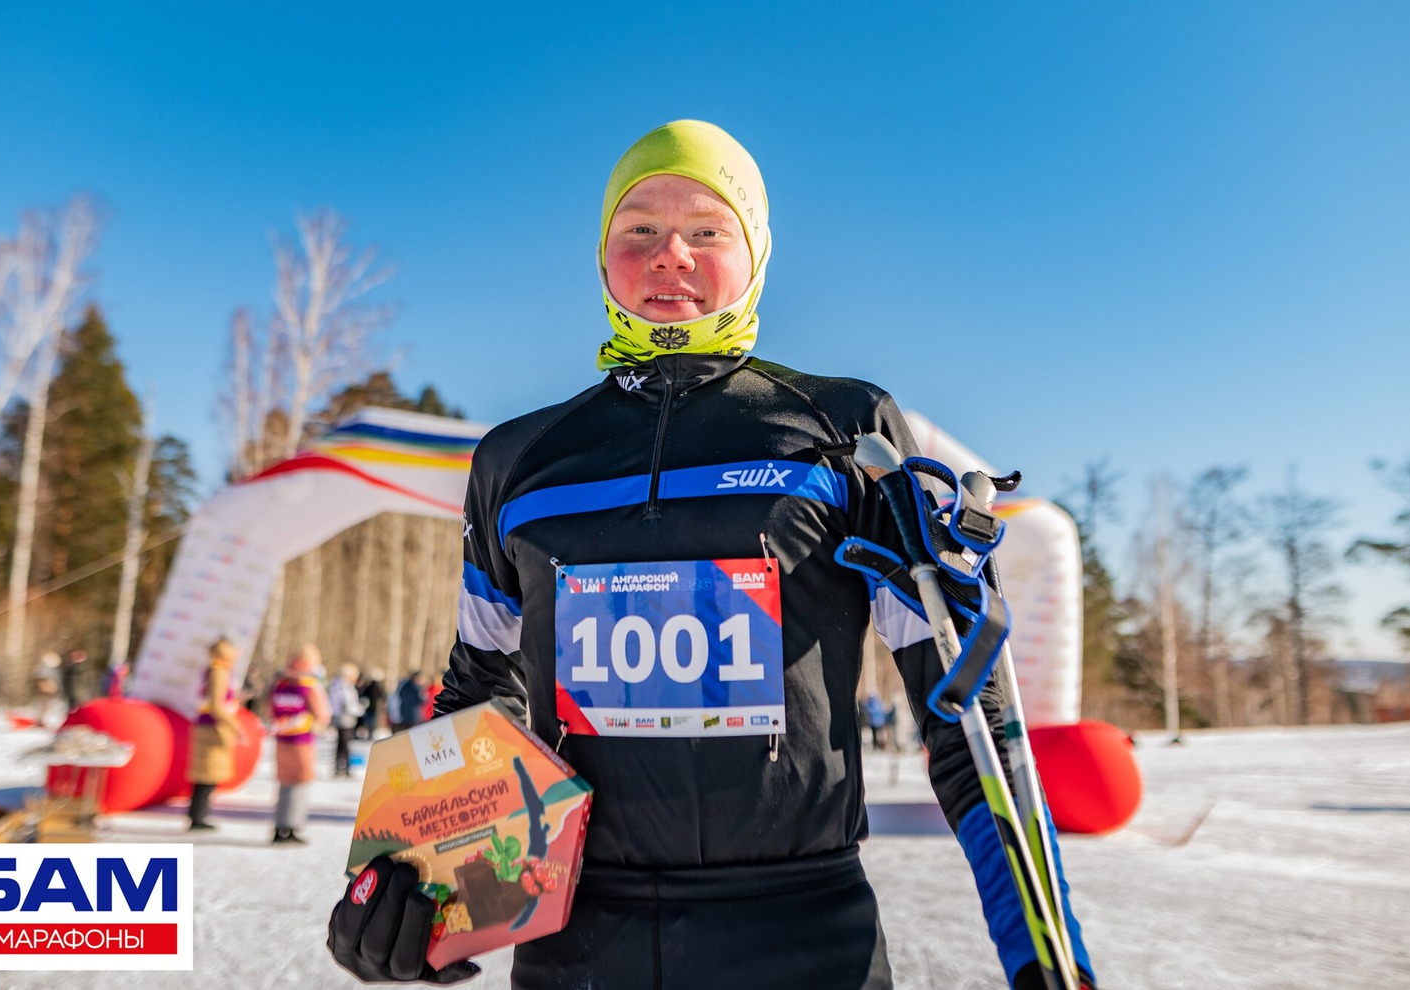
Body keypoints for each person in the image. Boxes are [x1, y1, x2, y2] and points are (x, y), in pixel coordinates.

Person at [328, 121, 1097, 989]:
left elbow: (968, 719)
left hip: (805, 941)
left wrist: (1044, 954)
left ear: (755, 252)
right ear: (602, 256)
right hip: (578, 949)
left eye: (706, 229)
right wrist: (410, 875)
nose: (671, 255)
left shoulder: (846, 430)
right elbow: (482, 694)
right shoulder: (517, 459)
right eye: (639, 231)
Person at [269, 644, 331, 844]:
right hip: (302, 741)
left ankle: (279, 826)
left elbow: (270, 709)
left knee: (284, 781)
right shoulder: (309, 685)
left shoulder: (280, 684)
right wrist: (316, 725)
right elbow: (322, 714)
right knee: (300, 781)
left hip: (282, 739)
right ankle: (292, 826)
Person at [187, 637, 247, 831]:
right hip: (213, 728)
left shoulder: (214, 669)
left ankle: (198, 814)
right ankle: (198, 816)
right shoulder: (219, 671)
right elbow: (216, 704)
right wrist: (236, 727)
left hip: (208, 725)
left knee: (207, 773)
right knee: (208, 774)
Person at [326, 663, 365, 777]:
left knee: (341, 745)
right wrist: (361, 709)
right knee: (345, 745)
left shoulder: (336, 686)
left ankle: (340, 767)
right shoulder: (344, 687)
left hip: (340, 718)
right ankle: (344, 768)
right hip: (345, 719)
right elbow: (349, 706)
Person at [390, 670, 428, 735]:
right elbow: (421, 700)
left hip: (405, 714)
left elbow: (400, 696)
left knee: (407, 732)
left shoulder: (404, 686)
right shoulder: (416, 688)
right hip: (414, 715)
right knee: (414, 733)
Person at [356, 668, 387, 740]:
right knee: (371, 723)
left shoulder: (369, 686)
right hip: (373, 708)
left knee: (368, 723)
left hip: (369, 708)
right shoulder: (377, 687)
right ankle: (370, 734)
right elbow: (382, 697)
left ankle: (368, 734)